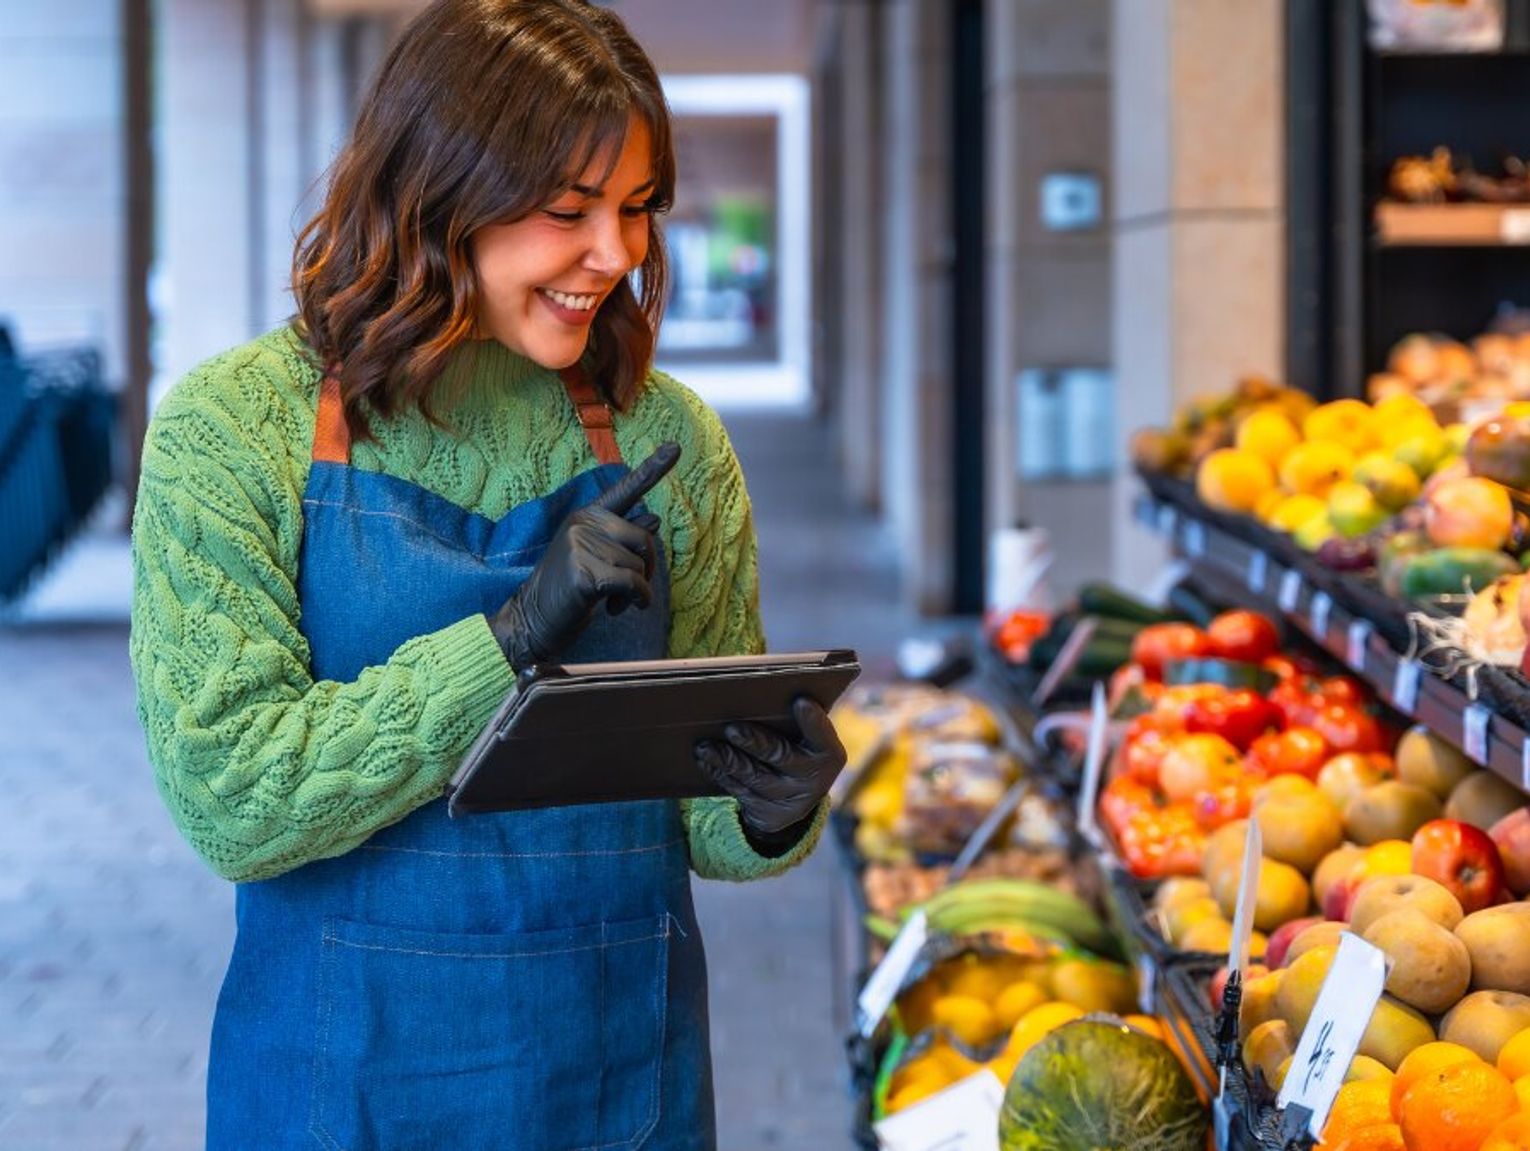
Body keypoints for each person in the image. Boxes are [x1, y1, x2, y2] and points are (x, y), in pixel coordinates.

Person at [127, 3, 846, 1147]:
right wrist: (509, 640)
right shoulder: (232, 429)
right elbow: (233, 800)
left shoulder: (674, 441)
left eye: (637, 207)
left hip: (616, 1083)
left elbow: (708, 830)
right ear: (437, 190)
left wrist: (773, 800)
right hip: (339, 1091)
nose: (618, 252)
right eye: (570, 210)